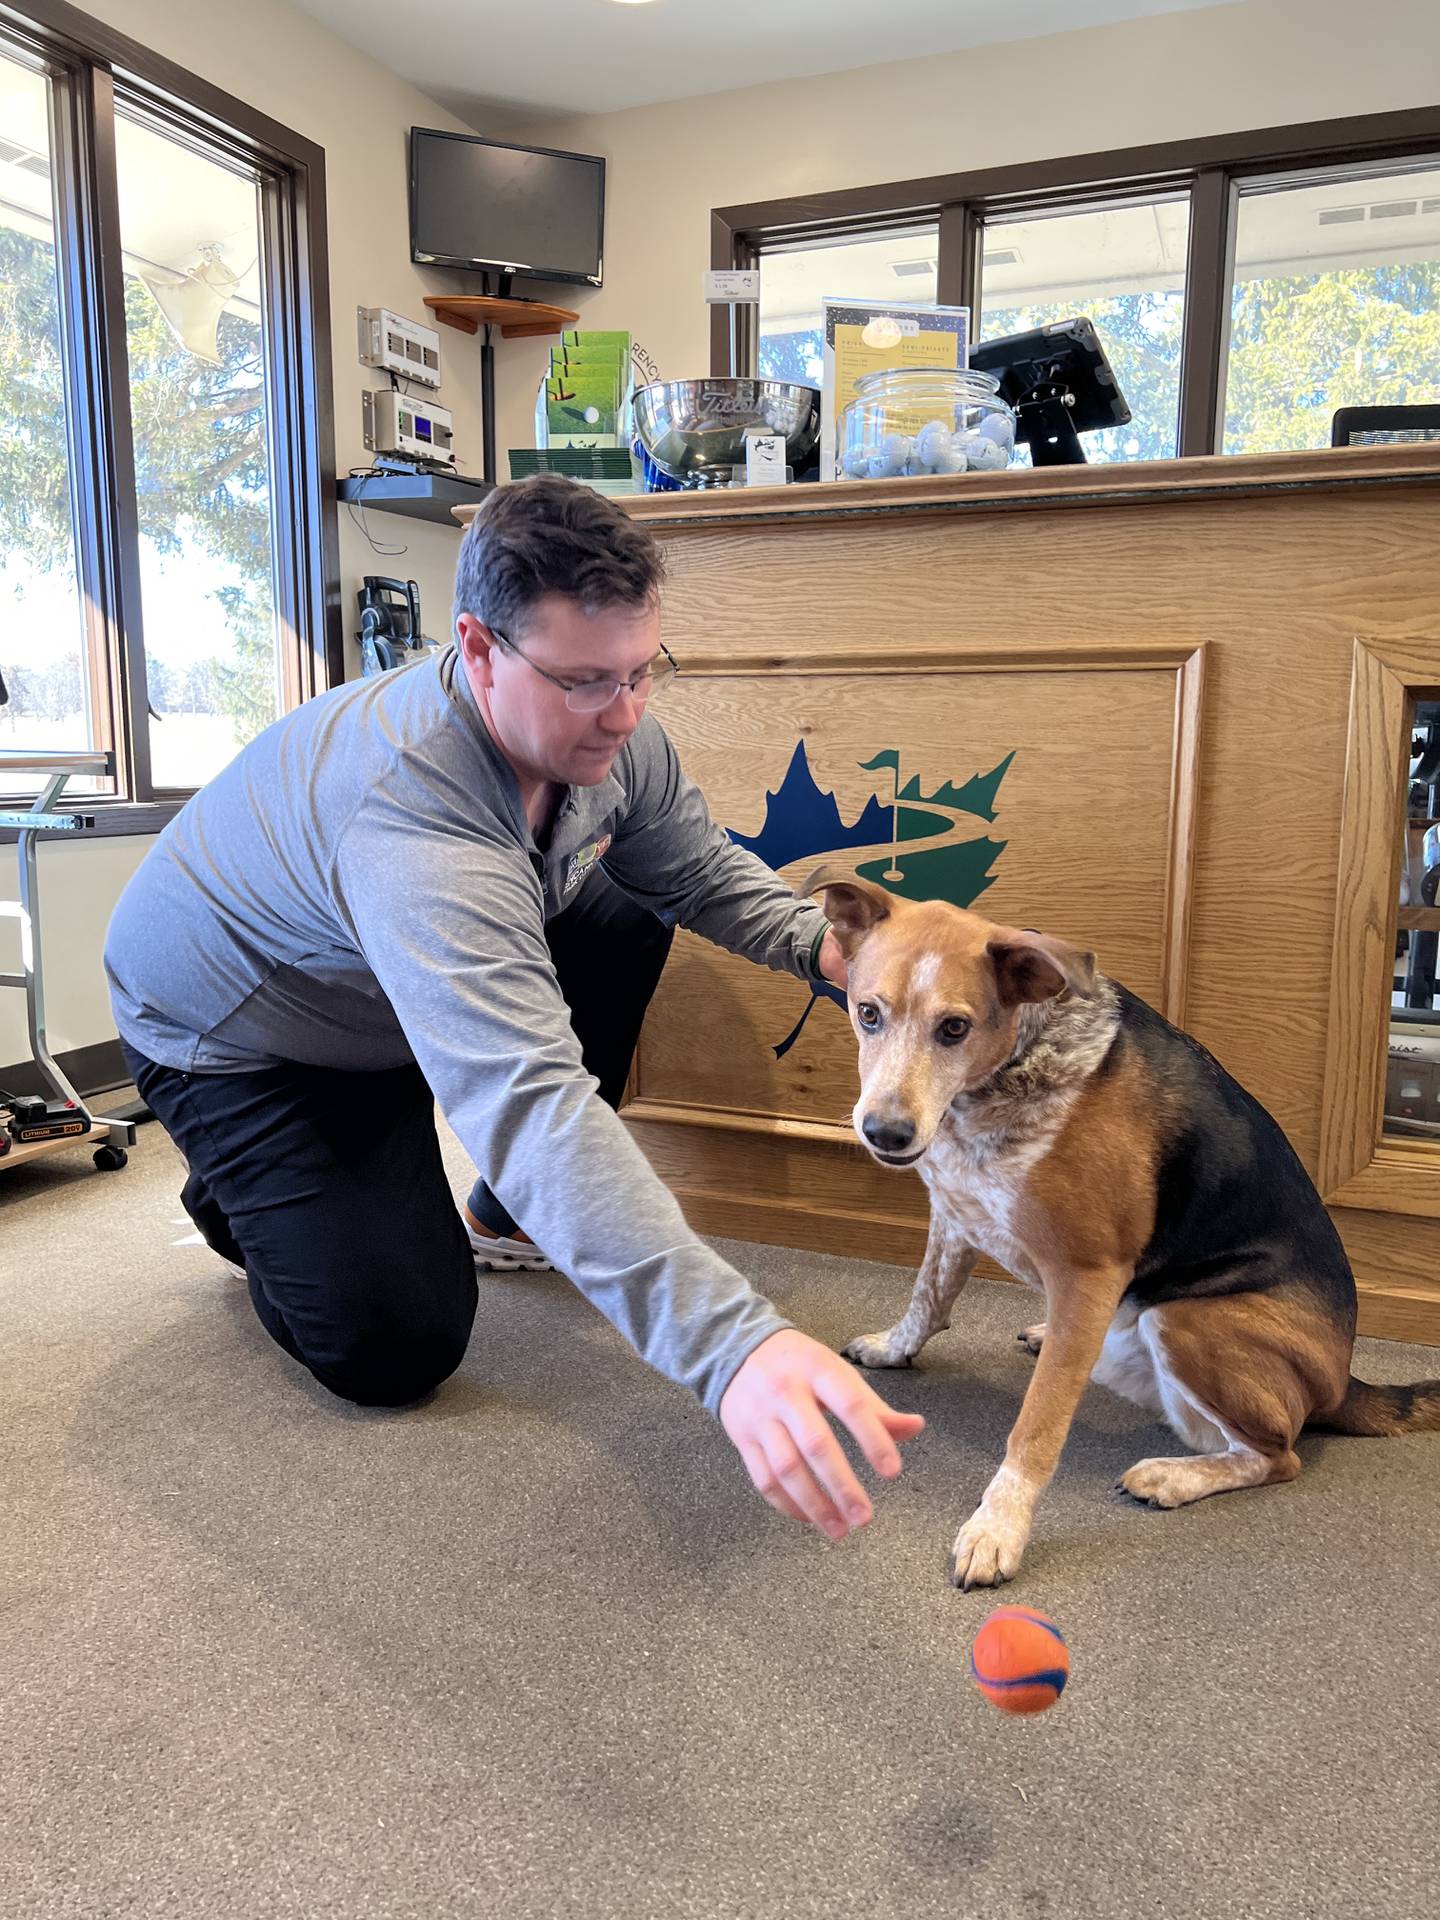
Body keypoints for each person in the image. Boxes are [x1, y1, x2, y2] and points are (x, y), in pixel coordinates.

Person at [105, 475, 923, 1543]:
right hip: (242, 1036)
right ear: (478, 648)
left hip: (388, 994)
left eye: (641, 672)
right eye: (586, 681)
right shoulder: (413, 818)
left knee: (625, 910)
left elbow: (695, 870)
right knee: (396, 1348)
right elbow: (529, 1100)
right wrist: (736, 1351)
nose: (624, 713)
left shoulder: (616, 741)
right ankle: (239, 1190)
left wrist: (837, 952)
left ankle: (490, 1210)